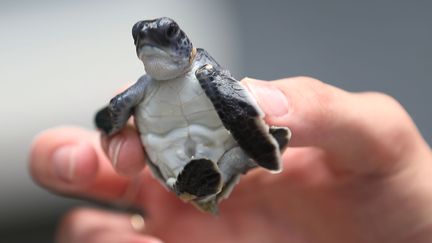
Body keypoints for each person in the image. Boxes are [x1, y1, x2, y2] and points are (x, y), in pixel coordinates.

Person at [30, 77, 432, 243]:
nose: (154, 44)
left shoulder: (204, 70)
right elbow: (111, 117)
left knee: (245, 127)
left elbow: (237, 106)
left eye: (168, 35)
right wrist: (110, 121)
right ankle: (204, 180)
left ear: (183, 43)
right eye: (143, 41)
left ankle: (212, 176)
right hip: (175, 171)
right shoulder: (144, 87)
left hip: (220, 160)